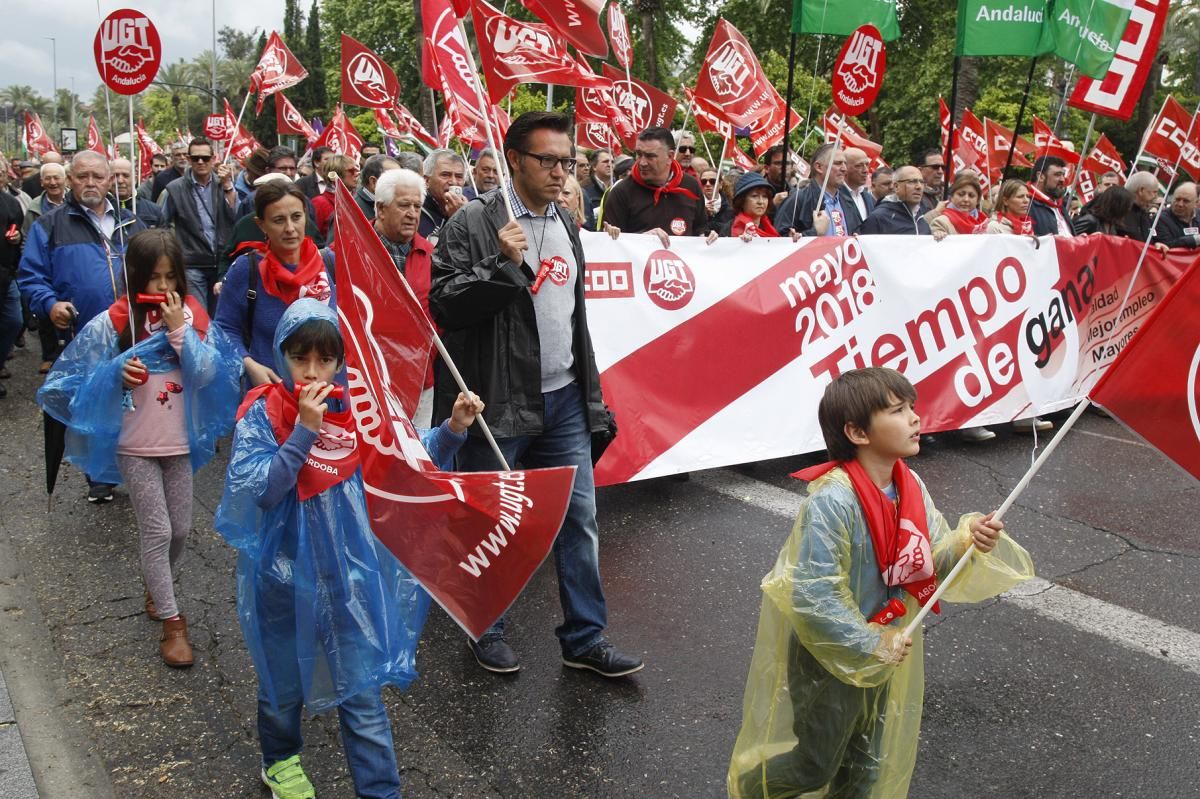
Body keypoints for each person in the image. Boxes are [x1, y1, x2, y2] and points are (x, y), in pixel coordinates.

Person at [214, 298, 483, 799]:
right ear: (282, 355)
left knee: (363, 702)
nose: (312, 372)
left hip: (348, 583)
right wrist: (303, 433)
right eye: (300, 358)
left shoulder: (358, 414)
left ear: (340, 362)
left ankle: (380, 792)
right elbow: (263, 489)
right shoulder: (262, 415)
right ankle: (281, 763)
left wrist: (451, 430)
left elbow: (402, 459)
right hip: (282, 582)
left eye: (324, 360)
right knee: (282, 690)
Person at [727, 367, 1033, 799]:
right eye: (897, 410)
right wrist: (866, 642)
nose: (914, 418)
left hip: (885, 646)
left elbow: (923, 563)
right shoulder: (834, 500)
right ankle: (747, 789)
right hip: (829, 657)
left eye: (912, 407)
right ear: (856, 431)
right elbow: (813, 594)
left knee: (864, 767)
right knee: (815, 765)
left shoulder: (908, 485)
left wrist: (967, 541)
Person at [430, 111, 642, 678]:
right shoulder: (473, 222)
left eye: (566, 162)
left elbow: (570, 316)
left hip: (565, 396)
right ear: (515, 160)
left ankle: (584, 638)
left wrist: (588, 390)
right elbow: (444, 305)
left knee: (579, 518)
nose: (559, 172)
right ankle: (486, 627)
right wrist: (501, 264)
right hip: (498, 400)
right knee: (491, 520)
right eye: (547, 160)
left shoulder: (567, 223)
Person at [37, 229, 240, 665]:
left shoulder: (191, 316)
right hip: (135, 444)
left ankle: (157, 583)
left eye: (171, 277)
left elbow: (208, 374)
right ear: (136, 278)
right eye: (153, 278)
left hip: (178, 442)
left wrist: (179, 332)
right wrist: (116, 373)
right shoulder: (117, 320)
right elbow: (82, 383)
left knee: (182, 529)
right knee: (158, 530)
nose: (163, 288)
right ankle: (172, 621)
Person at [19, 151, 149, 503]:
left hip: (132, 331)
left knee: (133, 403)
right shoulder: (49, 225)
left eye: (97, 176)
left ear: (110, 180)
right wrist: (50, 304)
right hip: (84, 335)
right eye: (81, 176)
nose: (90, 183)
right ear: (70, 180)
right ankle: (99, 476)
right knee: (94, 405)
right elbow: (30, 277)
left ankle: (137, 469)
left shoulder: (133, 222)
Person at [215, 181, 336, 387]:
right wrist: (248, 364)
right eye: (279, 220)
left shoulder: (331, 264)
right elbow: (223, 329)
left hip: (328, 397)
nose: (290, 228)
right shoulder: (246, 269)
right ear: (261, 224)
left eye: (296, 217)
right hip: (271, 397)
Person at [373, 168, 437, 426]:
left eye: (417, 206)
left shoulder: (432, 255)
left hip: (420, 380)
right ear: (380, 209)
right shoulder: (349, 249)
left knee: (418, 457)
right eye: (403, 205)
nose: (412, 214)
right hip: (370, 380)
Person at [600, 126, 714, 247]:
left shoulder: (691, 186)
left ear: (670, 157)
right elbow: (609, 246)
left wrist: (710, 238)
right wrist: (643, 239)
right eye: (639, 154)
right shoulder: (621, 192)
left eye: (650, 156)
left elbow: (700, 230)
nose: (642, 162)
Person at [160, 137, 237, 314]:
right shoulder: (174, 188)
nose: (200, 162)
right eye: (195, 158)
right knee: (199, 316)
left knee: (221, 315)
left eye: (205, 158)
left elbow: (235, 214)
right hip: (192, 264)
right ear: (188, 159)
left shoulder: (222, 183)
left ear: (213, 158)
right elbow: (162, 226)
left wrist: (227, 185)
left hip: (221, 262)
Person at [776, 143, 862, 238]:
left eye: (845, 163)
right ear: (819, 167)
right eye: (838, 163)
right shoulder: (798, 200)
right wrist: (815, 232)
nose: (844, 169)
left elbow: (859, 231)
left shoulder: (848, 201)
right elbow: (780, 243)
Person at [0, 162, 23, 397]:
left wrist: (16, 238)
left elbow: (17, 232)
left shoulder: (11, 203)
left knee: (14, 321)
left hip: (6, 274)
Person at [858, 165, 934, 236]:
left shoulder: (923, 214)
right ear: (896, 186)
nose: (919, 187)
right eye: (912, 181)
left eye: (921, 182)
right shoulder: (879, 218)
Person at [419, 149, 468, 243]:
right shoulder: (416, 210)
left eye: (459, 176)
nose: (453, 182)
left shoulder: (470, 210)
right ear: (426, 180)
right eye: (445, 175)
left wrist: (463, 217)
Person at [310, 154, 360, 240]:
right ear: (337, 175)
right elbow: (315, 239)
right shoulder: (319, 203)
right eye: (351, 171)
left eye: (357, 170)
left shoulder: (357, 200)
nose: (357, 174)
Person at [110, 158, 165, 228]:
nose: (120, 181)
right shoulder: (98, 211)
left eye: (126, 176)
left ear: (135, 179)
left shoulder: (154, 211)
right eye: (115, 176)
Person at [929, 172, 988, 237]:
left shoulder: (985, 223)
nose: (966, 199)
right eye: (961, 194)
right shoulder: (940, 223)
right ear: (951, 197)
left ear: (978, 200)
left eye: (971, 196)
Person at [1027, 156, 1071, 236]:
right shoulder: (1026, 204)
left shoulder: (1058, 205)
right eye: (1057, 175)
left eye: (1063, 175)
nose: (1062, 180)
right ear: (1040, 176)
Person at [729, 172, 780, 239]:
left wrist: (792, 240)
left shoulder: (771, 226)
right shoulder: (729, 229)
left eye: (764, 196)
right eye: (754, 196)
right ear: (742, 201)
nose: (761, 201)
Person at [1152, 181, 1199, 249]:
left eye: (1186, 201)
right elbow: (1167, 244)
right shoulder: (1159, 218)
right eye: (1177, 199)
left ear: (1196, 203)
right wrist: (1195, 239)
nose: (1180, 204)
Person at [354, 154, 401, 221]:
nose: (401, 184)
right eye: (395, 179)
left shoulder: (388, 204)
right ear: (373, 182)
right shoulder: (352, 211)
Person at [581, 148, 613, 230]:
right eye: (605, 162)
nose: (610, 164)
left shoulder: (618, 187)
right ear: (594, 166)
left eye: (612, 162)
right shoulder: (584, 189)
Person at [843, 147, 876, 222]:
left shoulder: (869, 198)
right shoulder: (835, 197)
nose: (866, 170)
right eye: (859, 166)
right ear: (844, 168)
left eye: (867, 165)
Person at [701, 167, 732, 234]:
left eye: (713, 181)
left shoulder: (731, 208)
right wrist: (702, 213)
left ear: (720, 184)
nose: (708, 184)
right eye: (704, 182)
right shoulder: (695, 206)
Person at [917, 149, 946, 213]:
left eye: (943, 167)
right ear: (920, 170)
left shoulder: (949, 194)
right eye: (935, 167)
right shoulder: (913, 196)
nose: (940, 172)